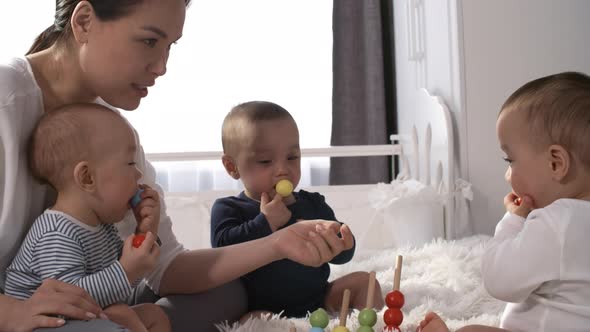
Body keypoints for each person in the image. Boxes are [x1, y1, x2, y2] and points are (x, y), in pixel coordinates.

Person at [0, 1, 352, 331]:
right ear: (84, 22)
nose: (162, 66)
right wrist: (14, 312)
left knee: (231, 291)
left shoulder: (117, 139)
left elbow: (168, 268)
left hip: (96, 301)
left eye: (170, 46)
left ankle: (141, 321)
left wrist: (278, 243)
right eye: (150, 41)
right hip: (37, 315)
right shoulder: (6, 102)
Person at [418, 72, 590, 332]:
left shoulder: (557, 222)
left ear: (556, 163)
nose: (507, 175)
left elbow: (499, 280)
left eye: (510, 161)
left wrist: (513, 220)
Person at [211, 101, 384, 319]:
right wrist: (265, 222)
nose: (283, 170)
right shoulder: (229, 208)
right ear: (232, 167)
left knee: (365, 282)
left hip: (319, 299)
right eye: (265, 161)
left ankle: (374, 326)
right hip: (263, 308)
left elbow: (340, 255)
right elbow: (222, 256)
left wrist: (343, 244)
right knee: (252, 322)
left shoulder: (313, 203)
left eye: (292, 157)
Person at [5, 104, 169, 331]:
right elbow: (70, 300)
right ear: (87, 177)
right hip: (44, 323)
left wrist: (144, 235)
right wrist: (127, 270)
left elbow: (123, 286)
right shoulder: (57, 232)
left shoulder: (104, 227)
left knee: (153, 314)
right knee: (121, 314)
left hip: (84, 317)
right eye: (130, 163)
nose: (139, 174)